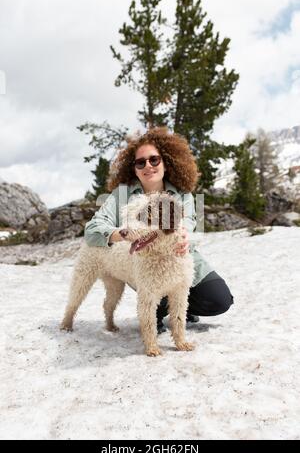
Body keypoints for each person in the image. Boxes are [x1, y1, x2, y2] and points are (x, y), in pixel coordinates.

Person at [85, 127, 234, 333]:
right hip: (145, 265)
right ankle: (158, 310)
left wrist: (185, 238)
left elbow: (193, 225)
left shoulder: (183, 193)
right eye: (140, 162)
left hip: (181, 259)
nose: (148, 165)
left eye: (154, 160)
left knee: (220, 300)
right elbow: (92, 228)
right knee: (154, 302)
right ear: (134, 169)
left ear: (166, 162)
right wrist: (120, 234)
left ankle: (180, 309)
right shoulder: (121, 195)